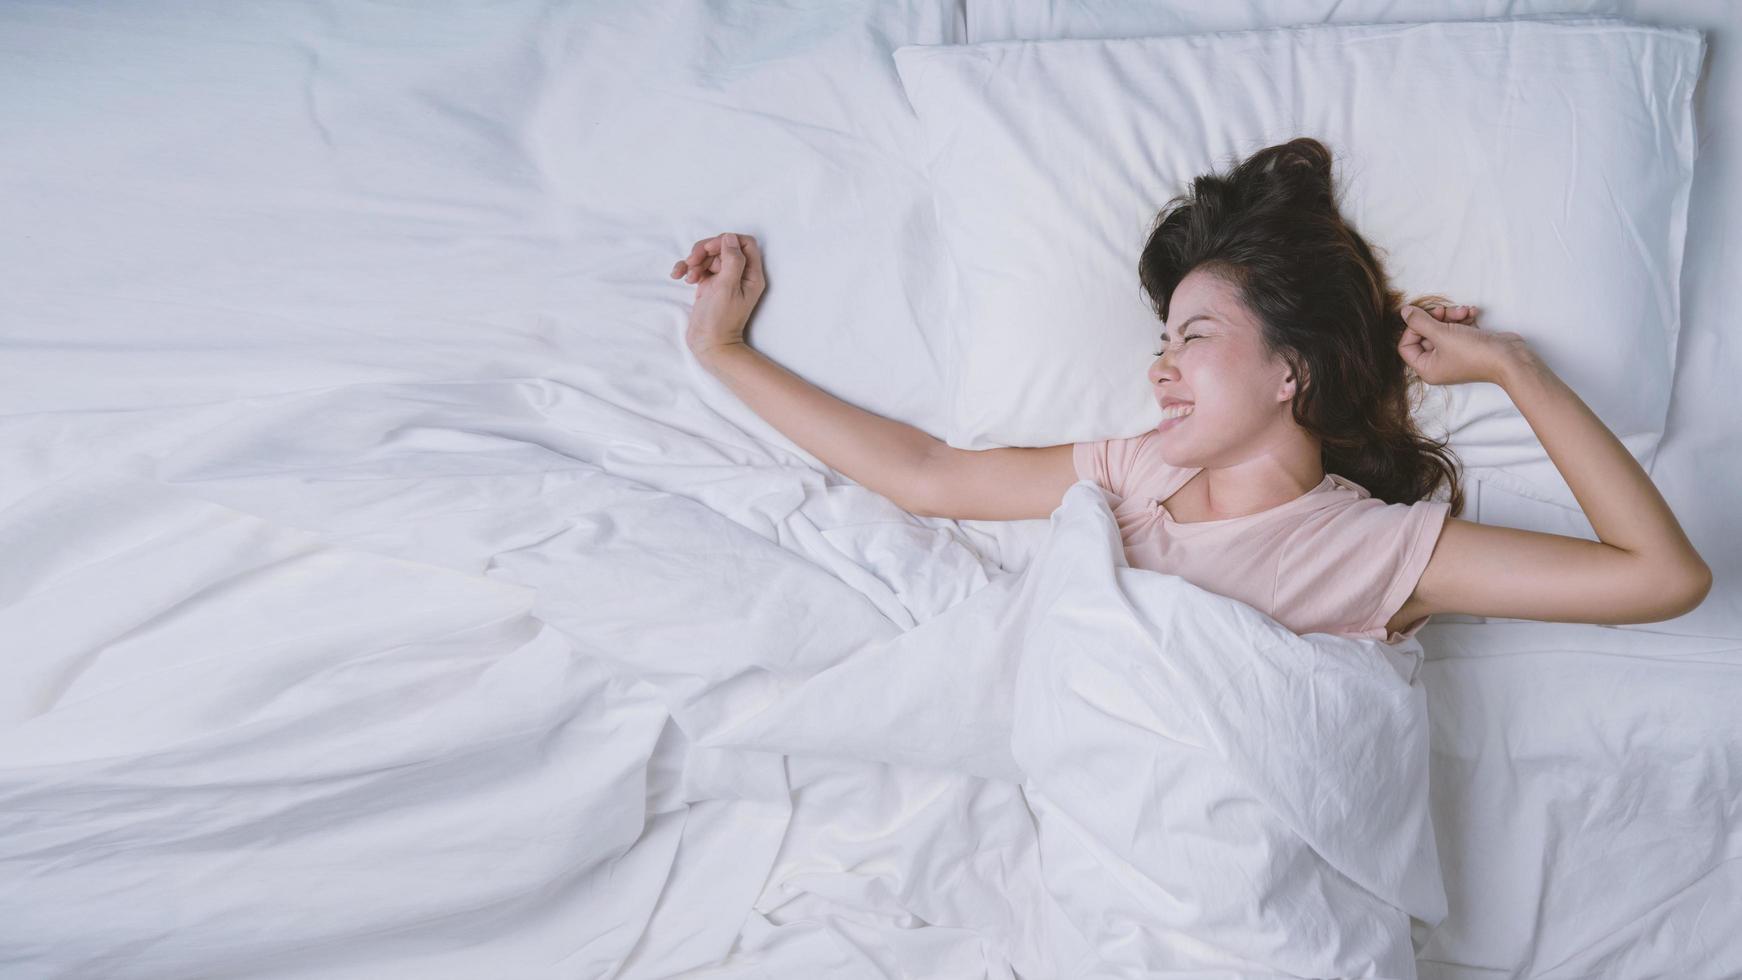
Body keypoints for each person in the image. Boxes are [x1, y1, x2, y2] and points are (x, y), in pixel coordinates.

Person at [668, 137, 1711, 643]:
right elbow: (928, 472)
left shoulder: (1372, 549)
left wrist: (1509, 369)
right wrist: (723, 353)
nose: (1158, 365)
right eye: (1160, 339)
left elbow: (1660, 577)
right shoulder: (1133, 471)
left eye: (1193, 336)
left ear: (1287, 370)